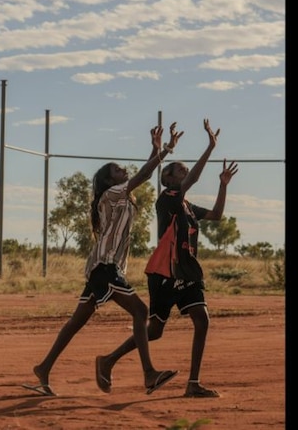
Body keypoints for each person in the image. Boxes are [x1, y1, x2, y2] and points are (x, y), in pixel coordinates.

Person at [28, 123, 183, 396]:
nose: (122, 169)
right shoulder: (111, 195)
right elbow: (145, 174)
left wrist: (155, 149)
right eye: (117, 170)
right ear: (110, 181)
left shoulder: (120, 195)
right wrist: (166, 150)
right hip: (105, 266)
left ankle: (44, 367)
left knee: (77, 322)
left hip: (102, 266)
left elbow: (143, 173)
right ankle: (148, 374)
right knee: (140, 311)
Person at [96, 119, 238, 398]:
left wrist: (223, 185)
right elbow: (192, 179)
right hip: (164, 273)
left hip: (187, 271)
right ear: (170, 179)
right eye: (180, 170)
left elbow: (218, 216)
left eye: (185, 170)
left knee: (202, 320)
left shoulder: (186, 205)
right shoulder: (168, 198)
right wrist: (210, 147)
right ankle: (108, 360)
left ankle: (193, 383)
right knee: (156, 330)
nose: (185, 172)